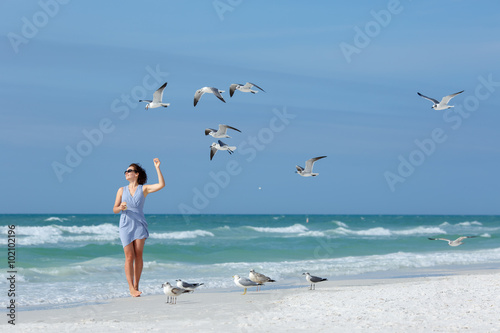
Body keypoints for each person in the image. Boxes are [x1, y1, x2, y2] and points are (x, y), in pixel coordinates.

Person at [113, 158, 165, 297]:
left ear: (136, 174)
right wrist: (120, 207)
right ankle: (131, 288)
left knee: (138, 255)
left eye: (129, 171)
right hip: (125, 225)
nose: (126, 173)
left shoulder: (144, 189)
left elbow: (161, 185)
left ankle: (136, 286)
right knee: (129, 257)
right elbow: (114, 209)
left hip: (139, 225)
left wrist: (157, 167)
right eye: (126, 171)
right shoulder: (121, 190)